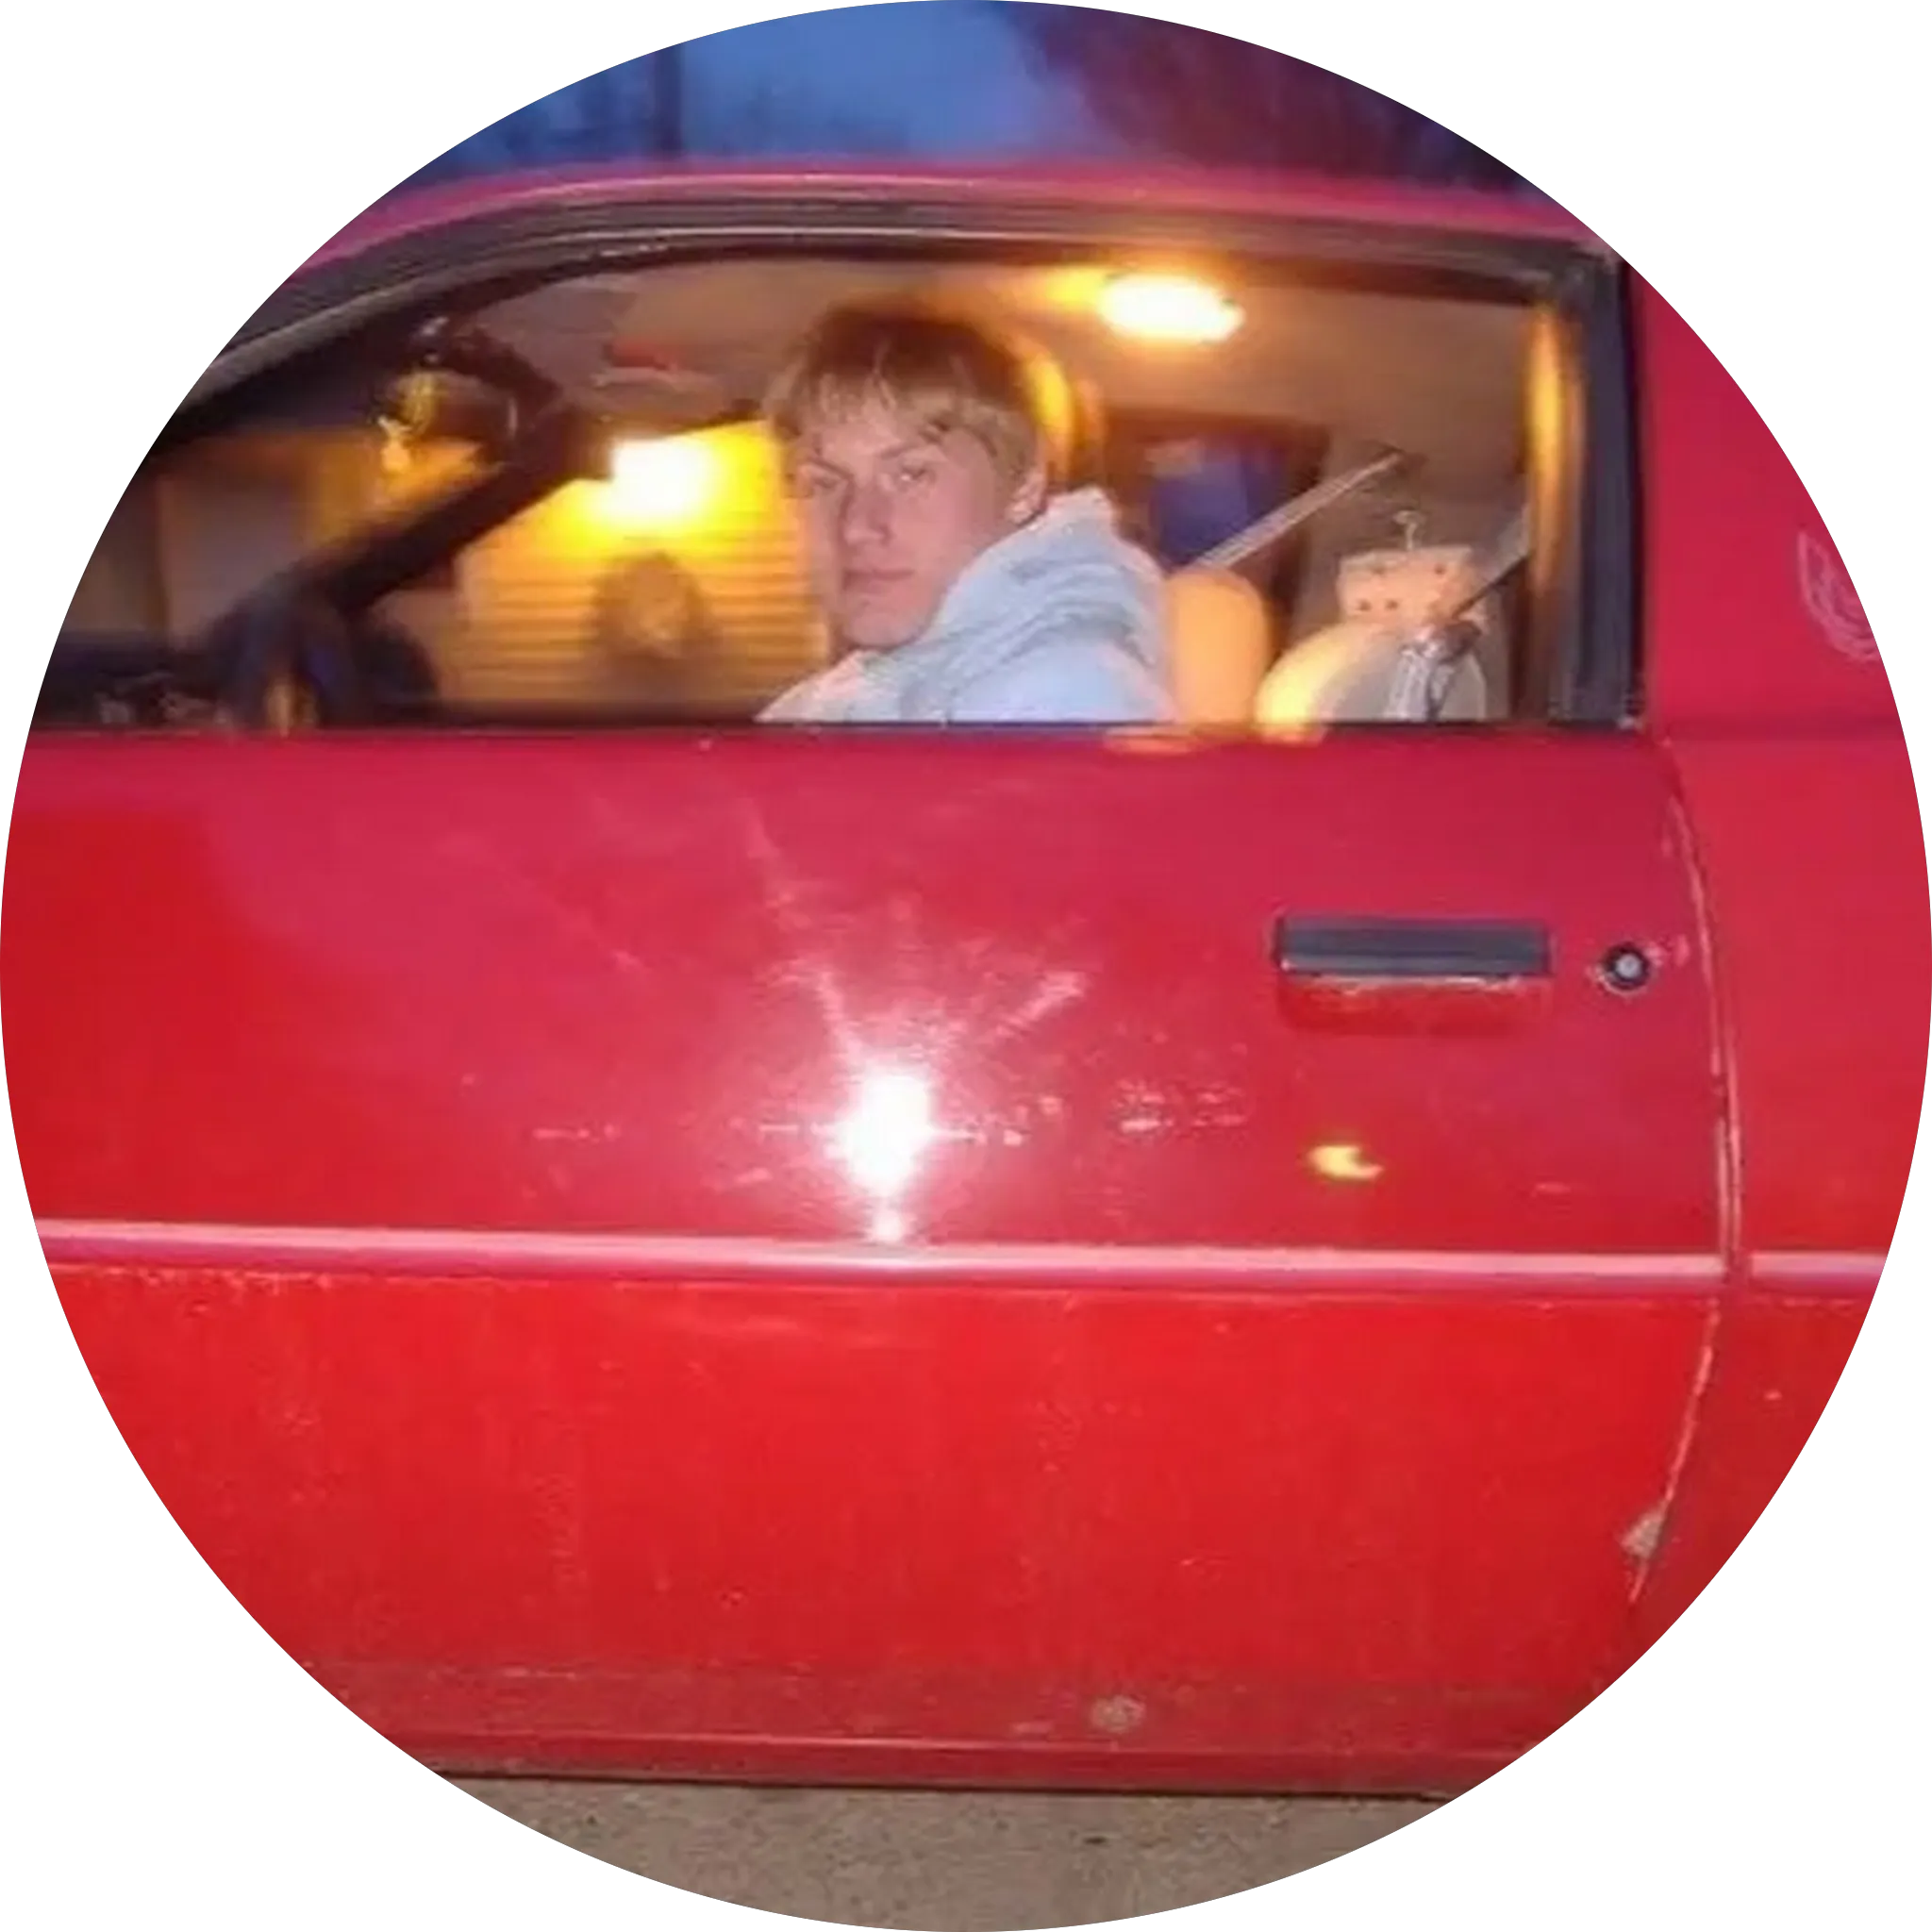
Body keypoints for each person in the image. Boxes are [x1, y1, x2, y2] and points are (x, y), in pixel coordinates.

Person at [758, 298, 1174, 724]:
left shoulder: (1062, 692)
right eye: (823, 483)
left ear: (1024, 486)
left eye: (911, 474)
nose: (856, 527)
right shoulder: (835, 701)